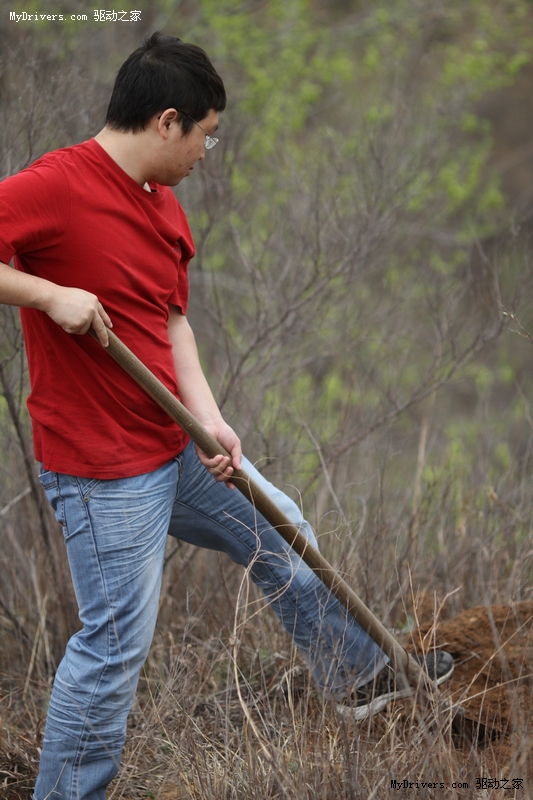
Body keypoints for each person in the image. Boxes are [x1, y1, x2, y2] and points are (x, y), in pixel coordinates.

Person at [0, 33, 454, 800]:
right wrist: (47, 295)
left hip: (169, 440)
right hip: (102, 470)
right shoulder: (55, 186)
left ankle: (356, 676)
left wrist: (209, 422)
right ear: (167, 121)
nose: (209, 151)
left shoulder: (161, 204)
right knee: (113, 650)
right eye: (207, 135)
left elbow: (170, 322)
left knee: (280, 530)